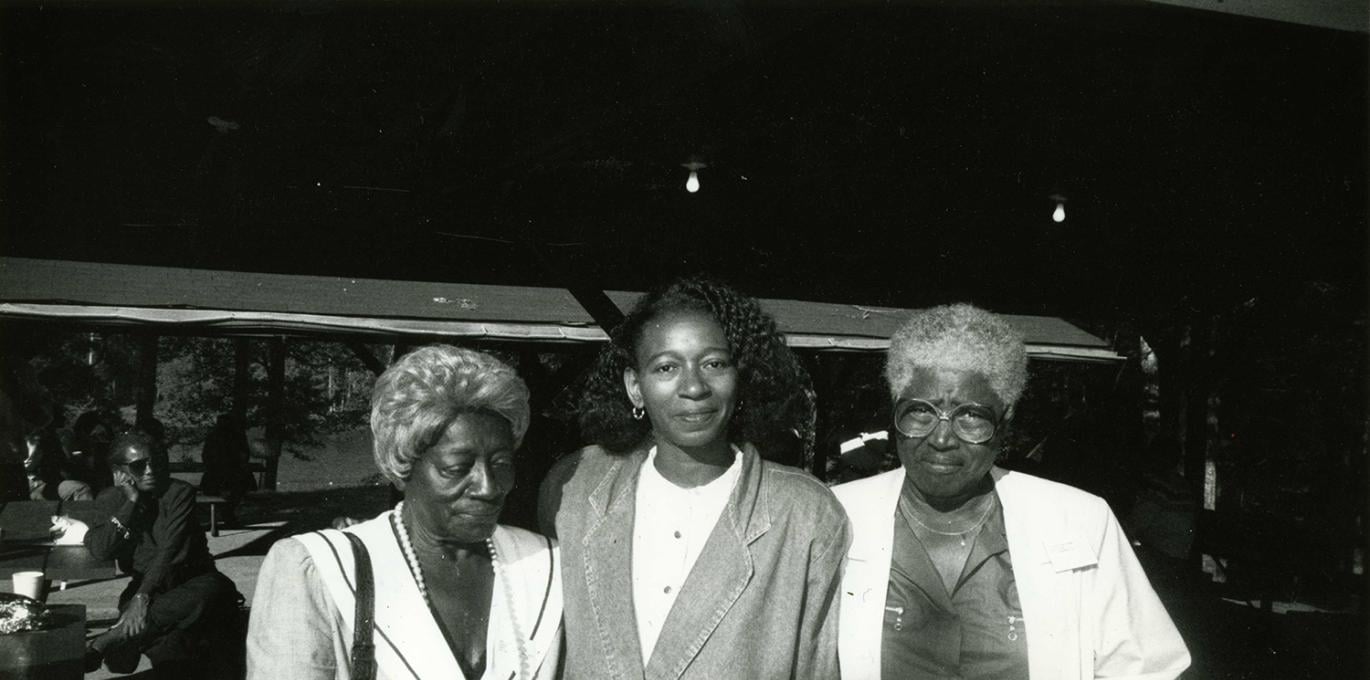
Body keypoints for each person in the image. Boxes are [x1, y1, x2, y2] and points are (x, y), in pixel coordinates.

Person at [833, 303, 1190, 679]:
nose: (940, 438)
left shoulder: (1080, 519)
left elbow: (1149, 668)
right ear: (895, 414)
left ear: (1004, 425)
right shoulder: (837, 516)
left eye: (970, 415)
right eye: (920, 410)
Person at [540, 275, 849, 680]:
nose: (693, 387)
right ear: (635, 387)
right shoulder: (576, 487)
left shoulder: (806, 512)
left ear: (741, 377)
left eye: (714, 364)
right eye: (666, 367)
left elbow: (818, 666)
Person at [247, 345, 563, 680]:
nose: (488, 487)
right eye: (457, 468)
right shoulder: (321, 569)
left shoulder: (546, 564)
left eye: (501, 464)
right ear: (404, 465)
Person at [83, 428, 243, 678]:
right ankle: (130, 640)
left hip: (194, 582)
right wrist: (131, 503)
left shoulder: (179, 493)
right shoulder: (110, 499)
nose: (150, 470)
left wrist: (141, 599)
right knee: (170, 647)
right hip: (149, 587)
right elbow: (101, 549)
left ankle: (113, 638)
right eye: (139, 465)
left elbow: (170, 551)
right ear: (119, 472)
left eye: (156, 462)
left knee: (213, 589)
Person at [198, 412, 257, 527]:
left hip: (218, 477)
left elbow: (206, 457)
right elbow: (244, 456)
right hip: (226, 476)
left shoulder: (215, 437)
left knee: (232, 488)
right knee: (238, 487)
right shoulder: (235, 437)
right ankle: (227, 513)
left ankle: (226, 512)